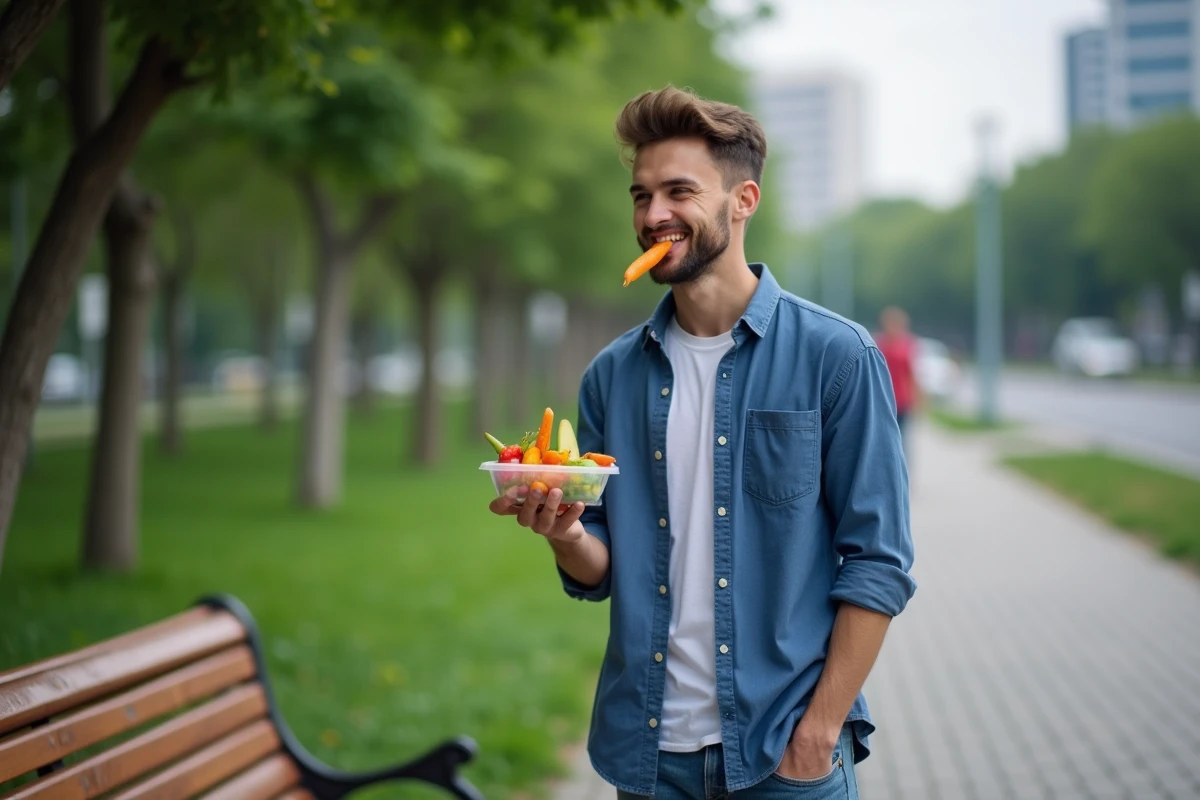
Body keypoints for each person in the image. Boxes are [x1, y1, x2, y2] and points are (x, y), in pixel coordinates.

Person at [489, 85, 916, 800]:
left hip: (785, 755)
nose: (653, 215)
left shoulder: (836, 358)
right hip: (650, 760)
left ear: (742, 200)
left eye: (678, 191)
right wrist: (563, 532)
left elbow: (879, 563)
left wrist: (817, 735)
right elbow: (603, 565)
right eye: (640, 195)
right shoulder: (611, 377)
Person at [875, 306, 919, 446]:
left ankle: (900, 466)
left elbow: (912, 373)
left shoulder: (908, 344)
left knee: (900, 437)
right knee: (882, 436)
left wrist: (918, 398)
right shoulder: (878, 343)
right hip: (883, 397)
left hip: (901, 399)